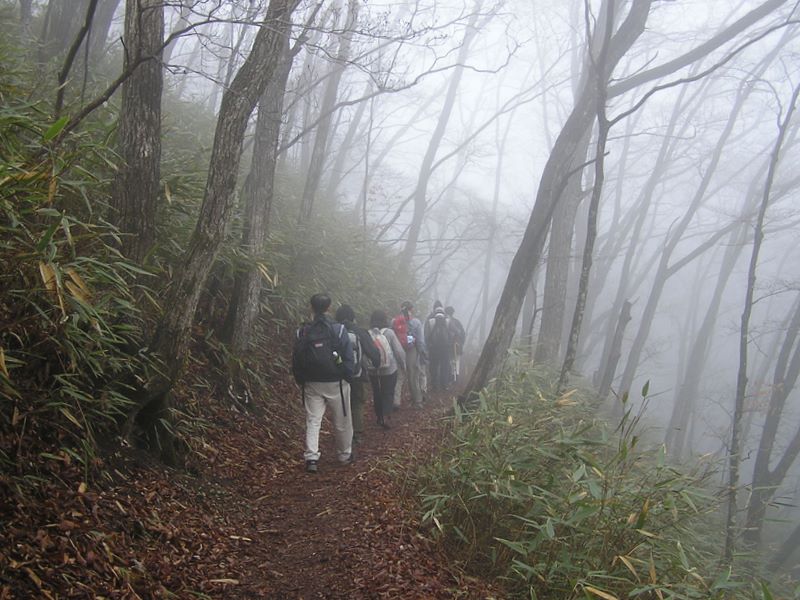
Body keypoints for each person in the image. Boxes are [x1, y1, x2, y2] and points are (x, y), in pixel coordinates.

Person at [292, 293, 355, 474]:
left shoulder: (303, 331)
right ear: (329, 308)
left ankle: (311, 458)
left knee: (313, 420)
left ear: (311, 308)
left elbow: (296, 358)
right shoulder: (339, 329)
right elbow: (348, 355)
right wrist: (348, 375)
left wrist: (300, 379)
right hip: (337, 382)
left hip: (312, 383)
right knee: (342, 419)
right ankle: (344, 455)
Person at [335, 304, 380, 446]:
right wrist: (376, 363)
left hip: (338, 375)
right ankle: (357, 433)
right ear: (353, 317)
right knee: (357, 402)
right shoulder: (360, 331)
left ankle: (343, 434)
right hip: (357, 374)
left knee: (342, 403)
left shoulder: (333, 331)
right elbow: (373, 352)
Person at [367, 310, 406, 428]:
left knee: (377, 392)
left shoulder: (368, 334)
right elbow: (399, 351)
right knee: (388, 392)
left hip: (373, 369)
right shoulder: (389, 333)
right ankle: (386, 416)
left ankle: (379, 417)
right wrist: (403, 364)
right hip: (389, 369)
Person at [392, 301, 426, 407]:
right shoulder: (416, 322)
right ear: (411, 309)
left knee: (399, 375)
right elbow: (420, 340)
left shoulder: (394, 321)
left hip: (398, 349)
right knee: (413, 375)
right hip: (412, 349)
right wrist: (422, 352)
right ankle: (417, 401)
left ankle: (396, 401)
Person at [425, 301, 452, 392]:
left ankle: (434, 385)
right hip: (445, 348)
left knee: (433, 366)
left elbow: (426, 335)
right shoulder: (447, 319)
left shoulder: (430, 319)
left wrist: (427, 346)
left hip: (433, 348)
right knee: (445, 366)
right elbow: (453, 332)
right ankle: (444, 385)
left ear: (434, 308)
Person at [445, 306, 466, 386]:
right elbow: (463, 334)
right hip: (458, 345)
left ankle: (451, 377)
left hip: (449, 346)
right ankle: (456, 377)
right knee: (457, 361)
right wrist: (461, 344)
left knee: (451, 361)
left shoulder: (445, 322)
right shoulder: (457, 322)